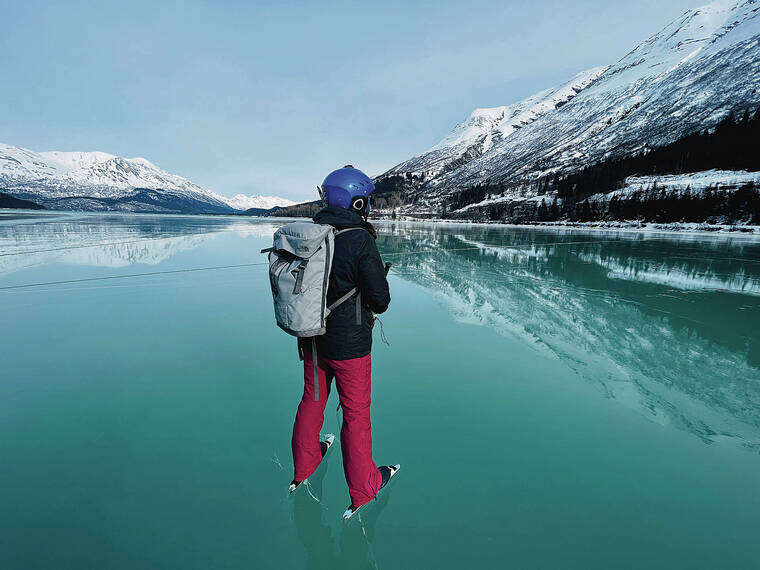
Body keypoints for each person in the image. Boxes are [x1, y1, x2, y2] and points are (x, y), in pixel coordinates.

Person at [289, 165, 398, 519]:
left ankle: (304, 468)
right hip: (350, 347)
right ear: (356, 202)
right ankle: (365, 490)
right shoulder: (359, 238)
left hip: (313, 341)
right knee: (355, 416)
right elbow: (380, 300)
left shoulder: (313, 235)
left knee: (312, 400)